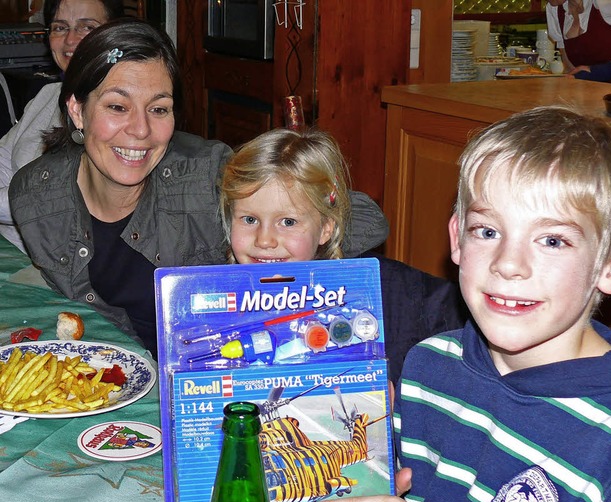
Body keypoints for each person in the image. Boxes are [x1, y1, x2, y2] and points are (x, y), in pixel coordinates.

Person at [8, 19, 389, 359]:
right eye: (117, 107)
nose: (141, 130)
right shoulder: (35, 199)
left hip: (221, 379)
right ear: (77, 110)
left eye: (158, 109)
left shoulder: (206, 175)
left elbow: (367, 219)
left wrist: (258, 248)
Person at [389, 106, 611, 502]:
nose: (507, 263)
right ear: (458, 238)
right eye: (487, 231)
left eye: (553, 240)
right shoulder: (427, 368)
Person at [220, 127, 468, 386]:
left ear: (326, 227)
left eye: (288, 222)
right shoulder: (206, 297)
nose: (265, 240)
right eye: (249, 219)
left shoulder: (389, 298)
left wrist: (399, 406)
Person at [0, 0, 125, 251]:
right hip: (12, 249)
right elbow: (2, 160)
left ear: (114, 33)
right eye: (59, 27)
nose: (70, 40)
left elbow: (48, 200)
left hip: (61, 268)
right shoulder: (48, 94)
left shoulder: (119, 109)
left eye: (86, 27)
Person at [546, 0, 611, 86]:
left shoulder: (607, 2)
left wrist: (599, 72)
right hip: (593, 93)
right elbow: (570, 68)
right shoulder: (554, 9)